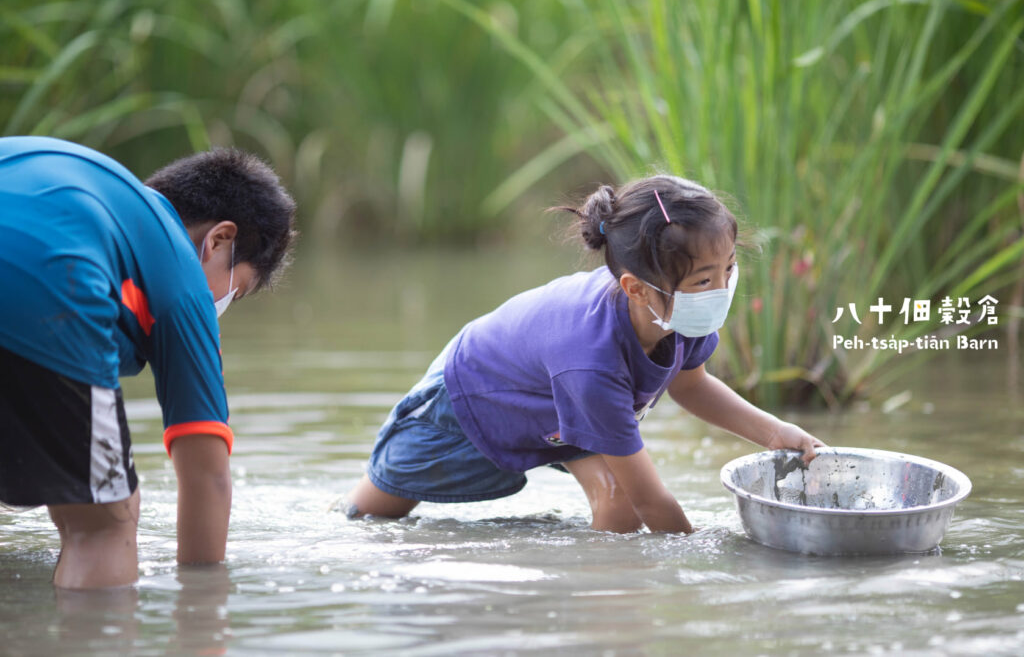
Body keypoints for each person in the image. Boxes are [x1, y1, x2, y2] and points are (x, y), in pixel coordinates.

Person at [347, 174, 824, 533]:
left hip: (557, 398)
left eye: (730, 268)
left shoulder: (678, 311)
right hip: (473, 395)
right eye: (704, 279)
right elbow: (653, 503)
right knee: (372, 515)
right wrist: (700, 567)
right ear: (636, 289)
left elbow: (691, 383)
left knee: (615, 500)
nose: (722, 289)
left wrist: (773, 431)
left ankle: (601, 606)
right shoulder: (593, 361)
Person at [0, 136, 297, 589]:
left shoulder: (99, 193)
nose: (223, 302)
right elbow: (207, 475)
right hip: (46, 287)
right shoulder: (180, 270)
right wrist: (201, 606)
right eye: (237, 289)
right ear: (220, 239)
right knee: (105, 521)